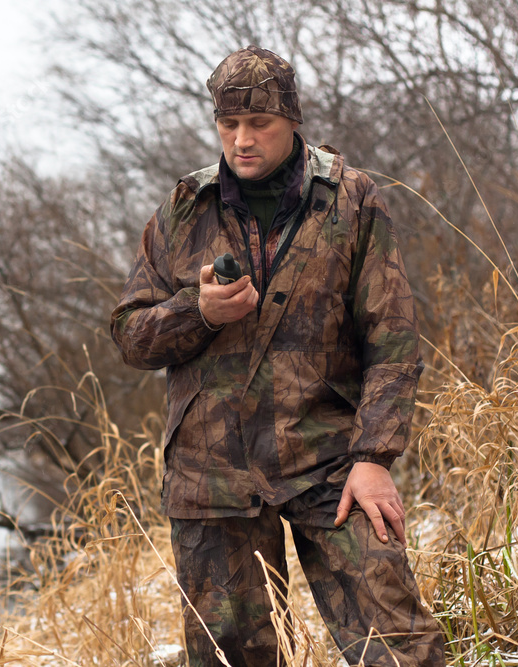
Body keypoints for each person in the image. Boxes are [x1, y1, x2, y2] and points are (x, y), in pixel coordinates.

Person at [109, 46, 445, 667]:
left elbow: (393, 339)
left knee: (398, 646)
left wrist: (373, 457)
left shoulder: (352, 201)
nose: (241, 140)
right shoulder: (186, 208)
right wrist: (199, 313)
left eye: (258, 123)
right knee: (234, 660)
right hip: (213, 476)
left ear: (292, 119)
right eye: (227, 124)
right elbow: (130, 334)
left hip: (331, 462)